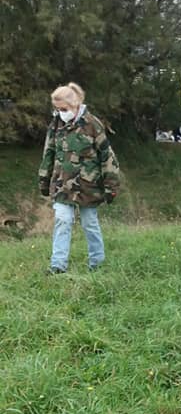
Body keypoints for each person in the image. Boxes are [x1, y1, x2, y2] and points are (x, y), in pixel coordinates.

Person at [38, 82, 120, 273]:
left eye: (63, 109)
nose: (60, 112)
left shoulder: (93, 125)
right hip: (61, 185)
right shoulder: (55, 125)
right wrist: (44, 179)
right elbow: (48, 153)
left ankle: (97, 264)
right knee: (62, 220)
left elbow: (107, 157)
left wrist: (111, 187)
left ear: (74, 105)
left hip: (88, 186)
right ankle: (57, 266)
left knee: (89, 223)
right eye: (57, 109)